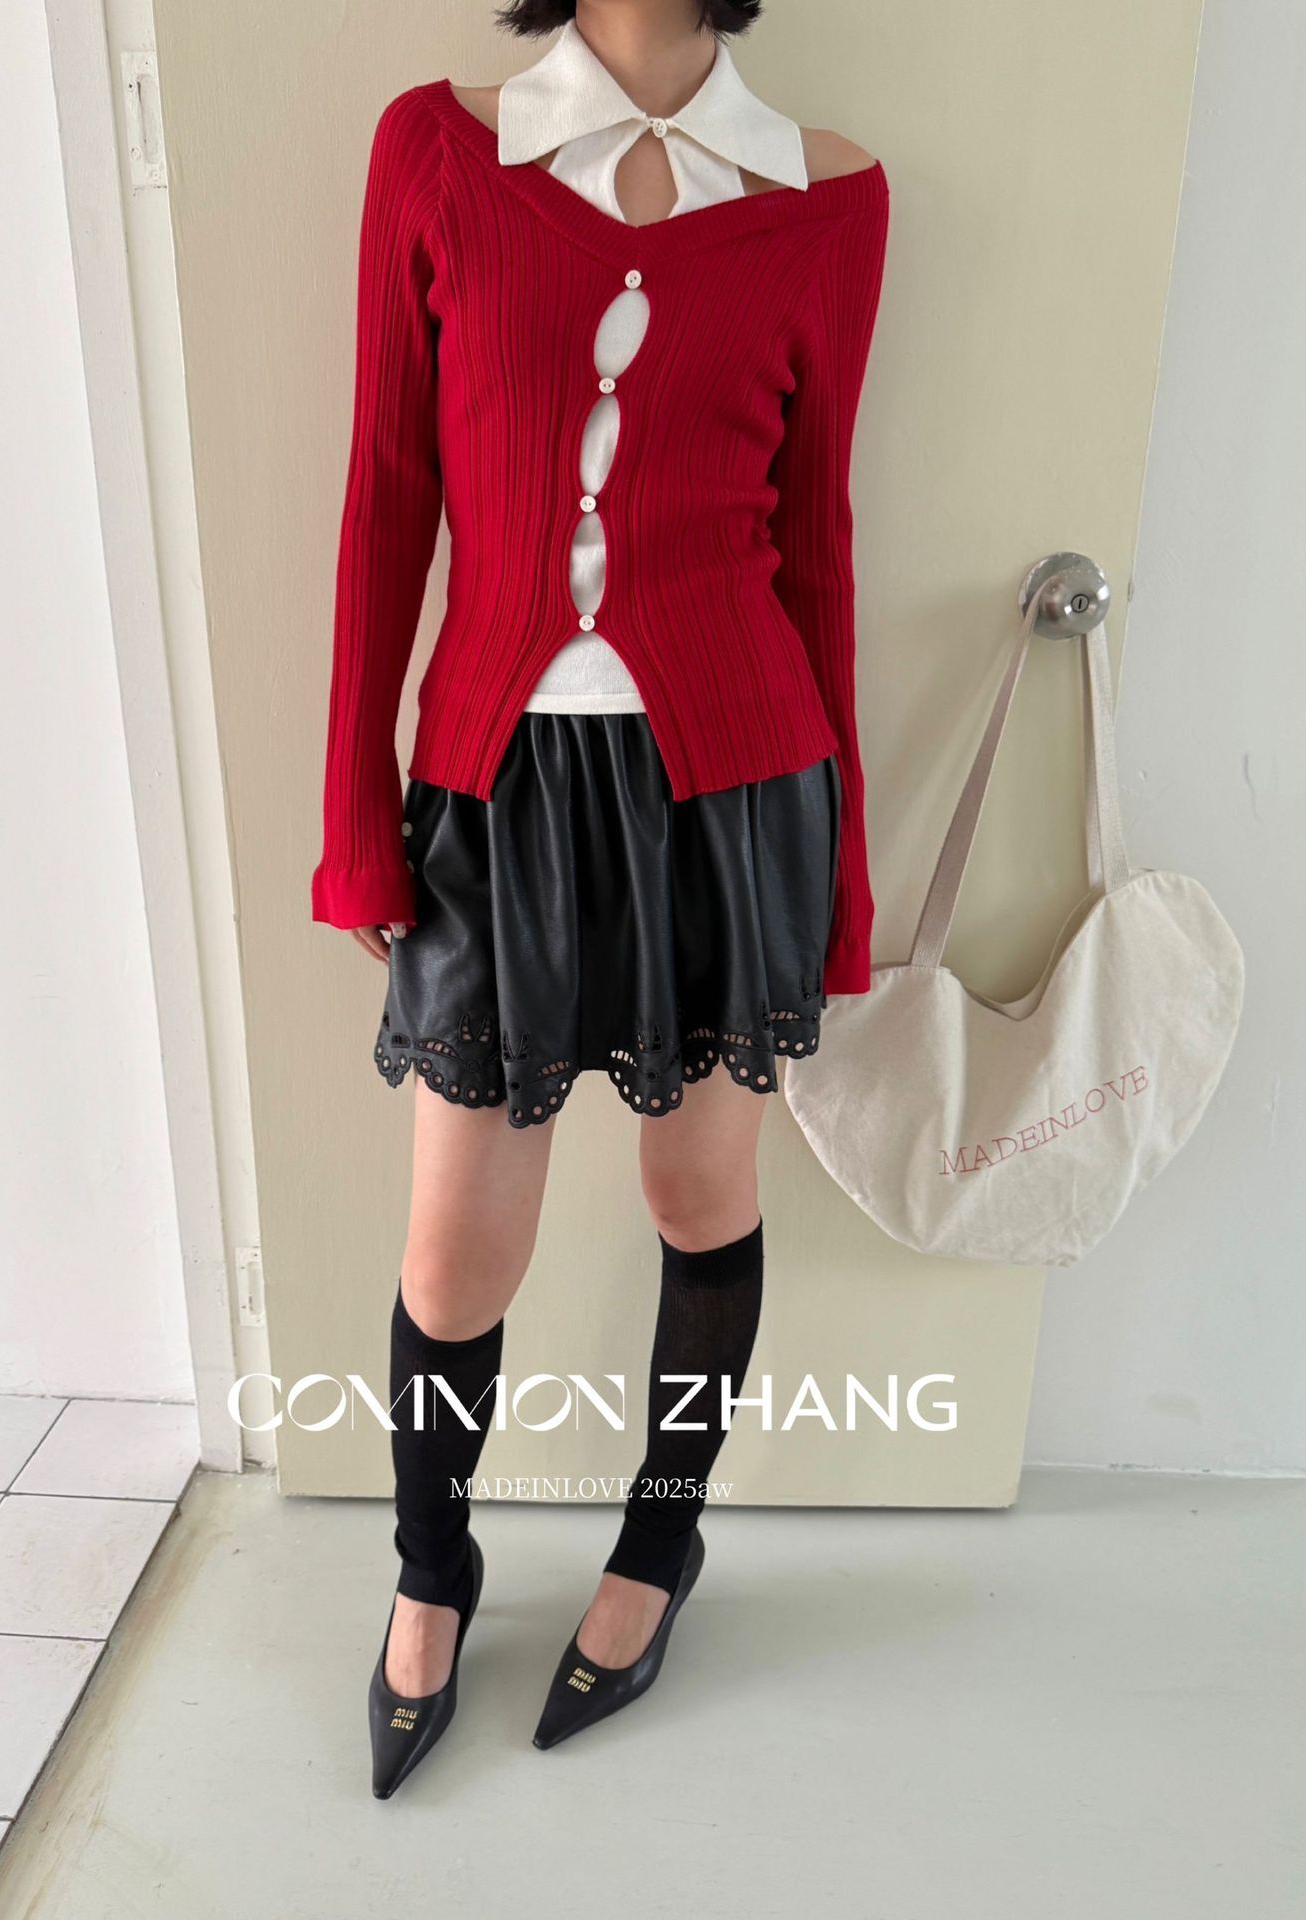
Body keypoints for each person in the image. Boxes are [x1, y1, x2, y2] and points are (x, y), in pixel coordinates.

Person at [311, 0, 888, 1798]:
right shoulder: (440, 152)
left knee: (695, 1192)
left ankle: (658, 1545)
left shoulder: (826, 196)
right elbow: (385, 495)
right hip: (493, 786)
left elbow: (818, 542)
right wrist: (354, 819)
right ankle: (432, 1569)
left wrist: (842, 886)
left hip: (736, 788)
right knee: (453, 1248)